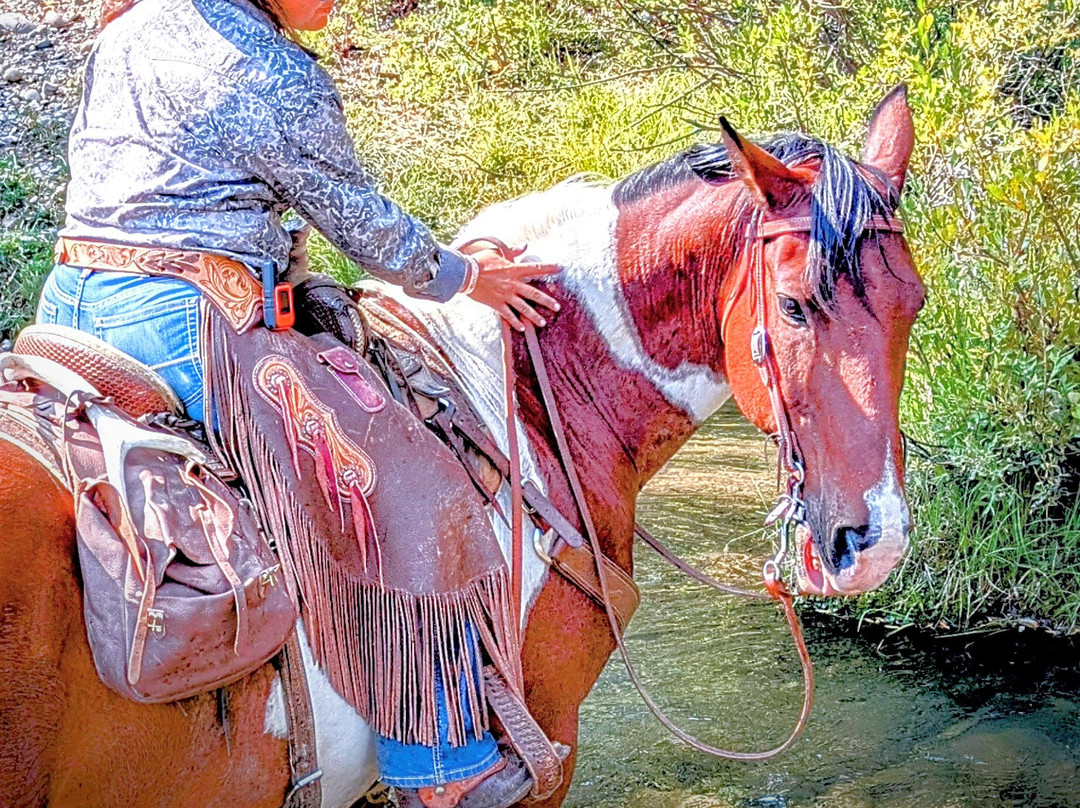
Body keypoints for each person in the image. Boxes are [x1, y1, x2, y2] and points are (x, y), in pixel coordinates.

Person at [37, 0, 560, 805]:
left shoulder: (133, 21)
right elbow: (362, 224)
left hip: (70, 304)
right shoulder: (271, 69)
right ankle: (443, 766)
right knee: (407, 487)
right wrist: (467, 278)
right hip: (185, 321)